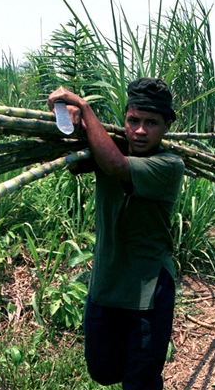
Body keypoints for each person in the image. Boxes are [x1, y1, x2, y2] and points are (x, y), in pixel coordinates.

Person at [48, 78, 184, 390]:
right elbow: (72, 162)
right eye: (133, 120)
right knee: (102, 371)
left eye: (151, 123)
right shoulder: (107, 147)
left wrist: (83, 105)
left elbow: (117, 165)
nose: (139, 130)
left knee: (140, 382)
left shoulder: (169, 165)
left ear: (167, 126)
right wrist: (70, 119)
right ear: (124, 120)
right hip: (106, 285)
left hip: (148, 292)